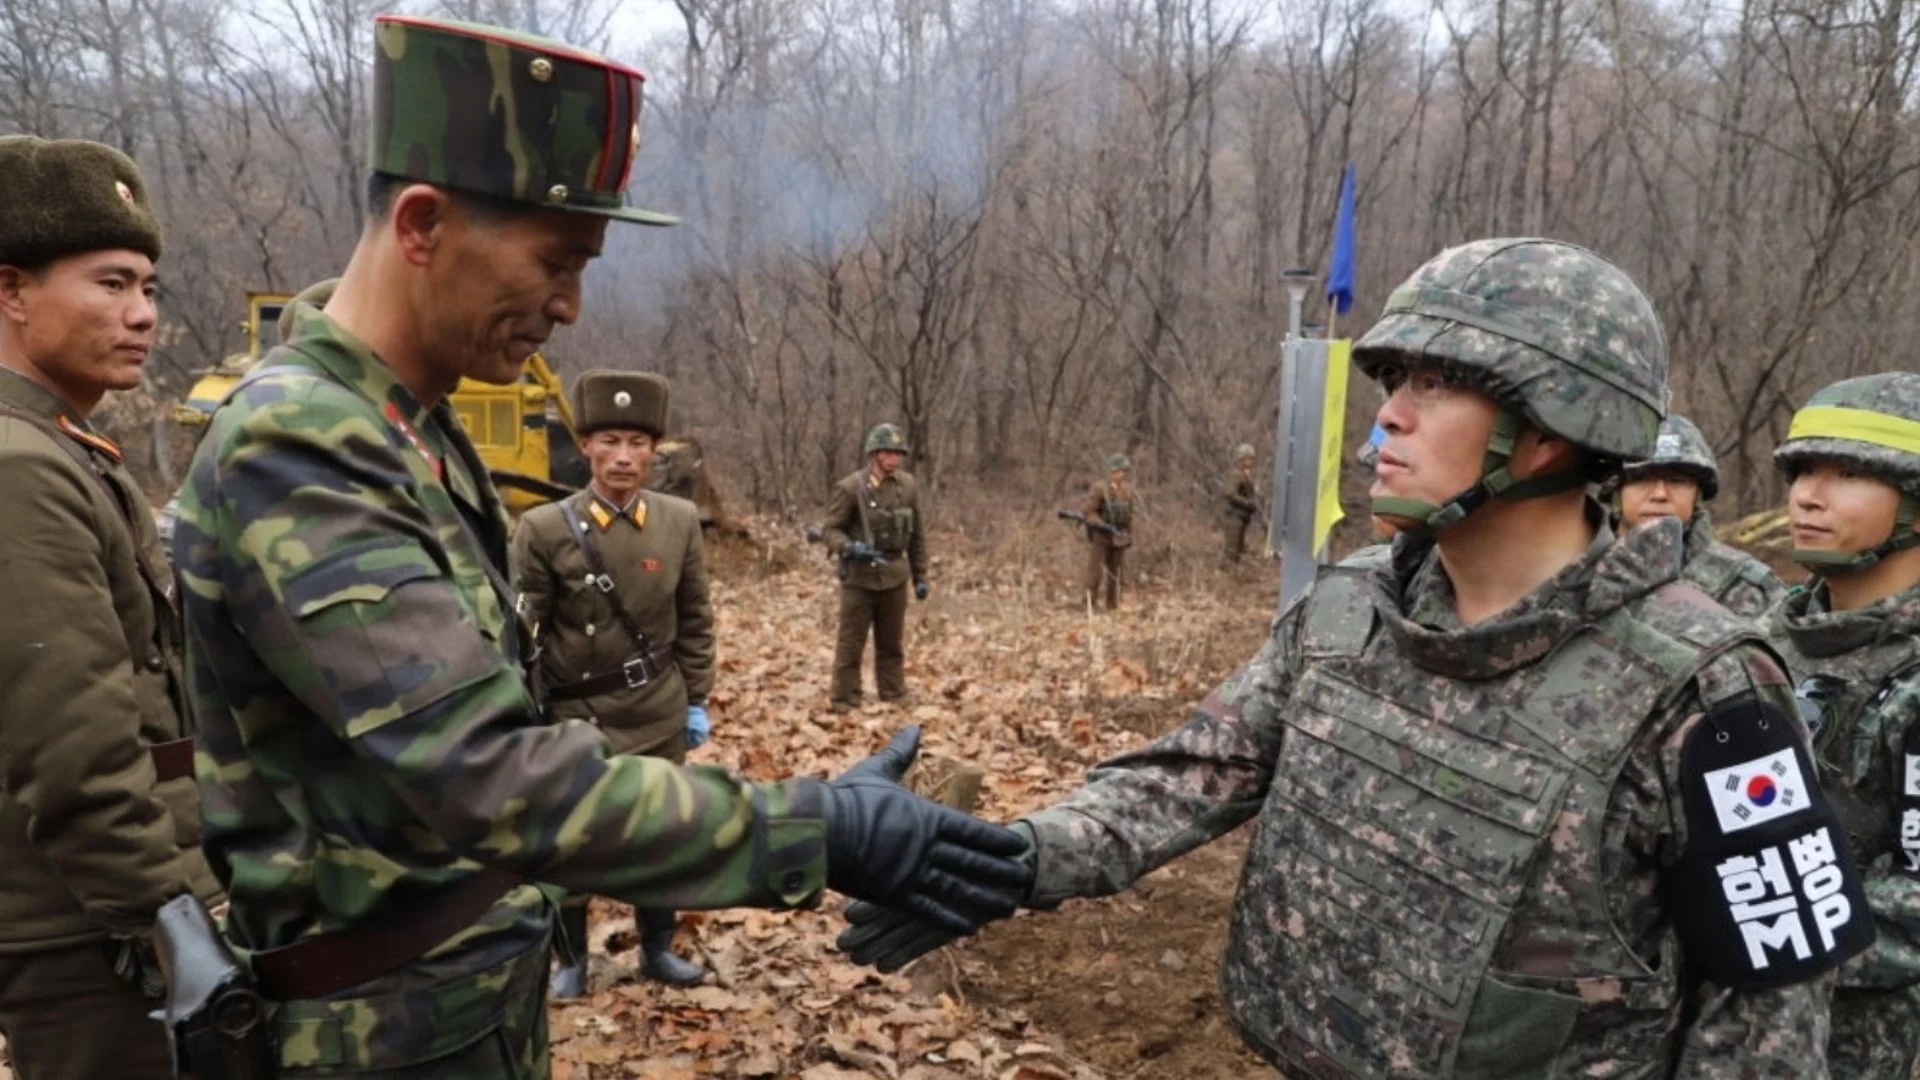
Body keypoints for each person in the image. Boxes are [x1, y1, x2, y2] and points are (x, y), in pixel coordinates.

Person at [170, 16, 1029, 1075]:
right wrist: (821, 830)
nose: (571, 306)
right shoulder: (299, 444)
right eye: (555, 261)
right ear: (424, 224)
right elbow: (490, 775)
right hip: (370, 1034)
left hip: (460, 1004)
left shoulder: (409, 423)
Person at [841, 238, 1873, 1078]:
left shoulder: (1710, 691)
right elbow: (1192, 773)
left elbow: (1770, 1013)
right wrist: (1010, 859)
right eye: (1395, 379)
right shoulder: (1352, 604)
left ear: (1553, 430)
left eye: (1438, 385)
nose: (1389, 414)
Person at [0, 135, 220, 1080]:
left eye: (150, 288)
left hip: (108, 912)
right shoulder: (20, 468)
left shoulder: (63, 448)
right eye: (112, 283)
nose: (143, 314)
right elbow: (76, 750)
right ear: (13, 291)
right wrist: (170, 921)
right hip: (88, 929)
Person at [514, 370, 716, 996]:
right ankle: (571, 960)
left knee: (661, 834)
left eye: (637, 443)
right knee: (571, 841)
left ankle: (656, 950)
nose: (623, 457)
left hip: (656, 708)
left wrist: (696, 698)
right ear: (585, 447)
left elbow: (695, 618)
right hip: (577, 716)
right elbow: (522, 632)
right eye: (609, 442)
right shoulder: (544, 528)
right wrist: (524, 712)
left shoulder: (679, 521)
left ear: (654, 451)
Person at [1761, 372, 1920, 1080]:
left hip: (1855, 1044)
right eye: (1803, 471)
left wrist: (1755, 929)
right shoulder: (1755, 642)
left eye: (1848, 474)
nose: (1807, 495)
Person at [1613, 413, 1783, 617]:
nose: (1660, 494)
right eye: (1642, 479)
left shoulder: (1746, 588)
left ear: (1697, 496)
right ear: (1615, 491)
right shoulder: (1582, 576)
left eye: (1676, 481)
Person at [821, 423, 928, 712]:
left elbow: (917, 535)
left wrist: (920, 575)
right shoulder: (851, 488)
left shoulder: (907, 486)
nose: (894, 459)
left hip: (894, 573)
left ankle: (893, 693)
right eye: (888, 453)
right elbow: (830, 529)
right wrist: (849, 547)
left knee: (891, 643)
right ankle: (844, 698)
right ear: (874, 454)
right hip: (860, 577)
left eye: (898, 453)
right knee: (851, 643)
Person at [1082, 454, 1134, 610]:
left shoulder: (1127, 490)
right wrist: (1100, 524)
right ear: (1111, 472)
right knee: (1095, 571)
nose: (1121, 475)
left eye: (1124, 471)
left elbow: (1129, 514)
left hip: (1119, 534)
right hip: (1101, 534)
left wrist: (1128, 534)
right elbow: (1088, 511)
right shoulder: (1100, 489)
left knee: (1116, 572)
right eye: (1118, 471)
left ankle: (1113, 604)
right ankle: (1090, 603)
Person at [1222, 443, 1259, 564]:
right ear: (1242, 459)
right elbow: (1230, 494)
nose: (1251, 461)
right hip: (1234, 516)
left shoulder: (1246, 475)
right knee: (1231, 551)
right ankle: (1226, 572)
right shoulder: (1235, 474)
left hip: (1242, 517)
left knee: (1238, 551)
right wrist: (1247, 503)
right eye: (1249, 458)